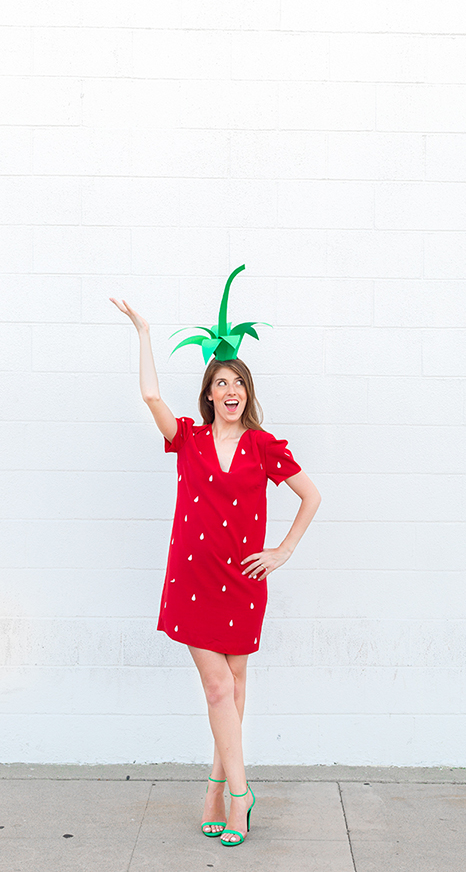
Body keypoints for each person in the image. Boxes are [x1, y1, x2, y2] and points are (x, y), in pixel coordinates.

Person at [110, 287, 321, 847]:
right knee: (216, 687)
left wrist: (283, 550)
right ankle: (240, 794)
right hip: (192, 581)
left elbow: (312, 496)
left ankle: (213, 784)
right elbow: (151, 394)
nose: (230, 390)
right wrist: (145, 333)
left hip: (243, 582)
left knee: (234, 683)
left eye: (238, 382)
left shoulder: (263, 445)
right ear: (207, 395)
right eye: (219, 382)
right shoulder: (189, 438)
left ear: (248, 394)